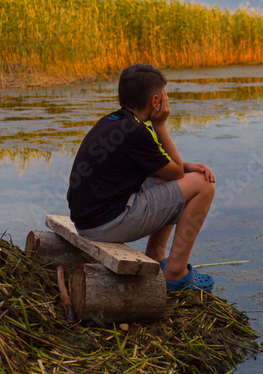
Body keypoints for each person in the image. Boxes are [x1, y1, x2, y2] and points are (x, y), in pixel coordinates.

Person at [67, 63, 217, 291]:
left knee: (172, 181)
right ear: (156, 101)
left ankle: (156, 255)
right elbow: (176, 172)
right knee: (203, 184)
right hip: (106, 224)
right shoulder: (138, 132)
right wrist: (160, 125)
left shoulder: (113, 122)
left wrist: (186, 166)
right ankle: (175, 272)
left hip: (88, 220)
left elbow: (165, 169)